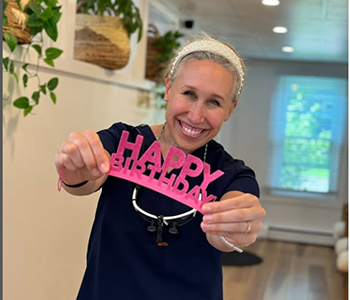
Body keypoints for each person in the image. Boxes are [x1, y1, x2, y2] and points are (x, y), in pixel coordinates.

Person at [55, 32, 266, 300]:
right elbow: (84, 182)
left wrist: (237, 225)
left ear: (230, 109)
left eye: (214, 102)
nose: (196, 115)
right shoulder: (123, 141)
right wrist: (75, 165)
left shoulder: (233, 175)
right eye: (189, 93)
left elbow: (229, 230)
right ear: (168, 88)